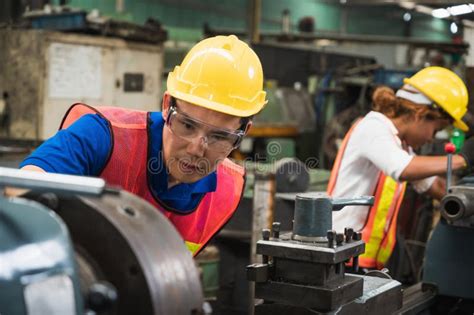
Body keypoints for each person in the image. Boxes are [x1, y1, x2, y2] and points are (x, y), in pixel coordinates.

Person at [18, 35, 267, 256]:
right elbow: (21, 191)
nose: (196, 149)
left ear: (244, 132)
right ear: (167, 103)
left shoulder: (225, 192)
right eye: (187, 125)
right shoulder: (105, 136)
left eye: (219, 137)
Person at [326, 66, 474, 270]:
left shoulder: (399, 145)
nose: (431, 138)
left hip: (361, 261)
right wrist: (462, 159)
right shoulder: (373, 127)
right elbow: (403, 168)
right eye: (436, 129)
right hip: (337, 257)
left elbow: (435, 186)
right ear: (420, 114)